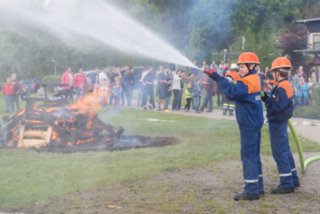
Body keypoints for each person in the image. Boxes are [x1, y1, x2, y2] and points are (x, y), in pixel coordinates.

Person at [204, 52, 264, 201]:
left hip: (248, 124)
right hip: (255, 122)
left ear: (252, 66)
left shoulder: (247, 82)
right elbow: (240, 83)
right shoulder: (255, 78)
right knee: (255, 155)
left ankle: (251, 190)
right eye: (239, 67)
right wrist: (230, 76)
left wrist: (218, 78)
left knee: (248, 155)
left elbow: (232, 92)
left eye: (242, 66)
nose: (240, 69)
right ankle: (258, 186)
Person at [261, 57, 300, 194]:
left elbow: (277, 107)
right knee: (285, 151)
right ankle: (293, 179)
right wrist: (267, 97)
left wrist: (267, 100)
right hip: (279, 122)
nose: (272, 74)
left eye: (273, 71)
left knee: (280, 153)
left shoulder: (283, 87)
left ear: (277, 72)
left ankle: (286, 184)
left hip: (277, 123)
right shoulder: (283, 85)